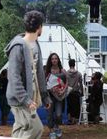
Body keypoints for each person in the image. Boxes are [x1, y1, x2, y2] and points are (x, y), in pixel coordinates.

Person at [5, 10, 52, 139]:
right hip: (20, 100)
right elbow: (14, 77)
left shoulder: (35, 45)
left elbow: (39, 74)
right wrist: (26, 100)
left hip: (29, 98)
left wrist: (44, 96)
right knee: (36, 129)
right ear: (39, 27)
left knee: (20, 129)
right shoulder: (18, 47)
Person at [45, 53, 68, 139]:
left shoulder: (62, 71)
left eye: (56, 58)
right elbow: (44, 84)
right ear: (50, 61)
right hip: (49, 96)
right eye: (52, 59)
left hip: (59, 96)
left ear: (58, 60)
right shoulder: (47, 72)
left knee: (59, 115)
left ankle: (56, 127)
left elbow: (67, 82)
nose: (54, 60)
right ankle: (52, 131)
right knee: (50, 114)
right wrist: (50, 89)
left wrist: (63, 90)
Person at [66, 59, 83, 125]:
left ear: (69, 64)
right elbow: (80, 83)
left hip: (69, 92)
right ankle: (75, 121)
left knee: (69, 106)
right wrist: (82, 92)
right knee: (76, 107)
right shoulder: (79, 74)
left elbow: (65, 83)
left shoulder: (66, 73)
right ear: (74, 64)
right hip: (76, 92)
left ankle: (70, 120)